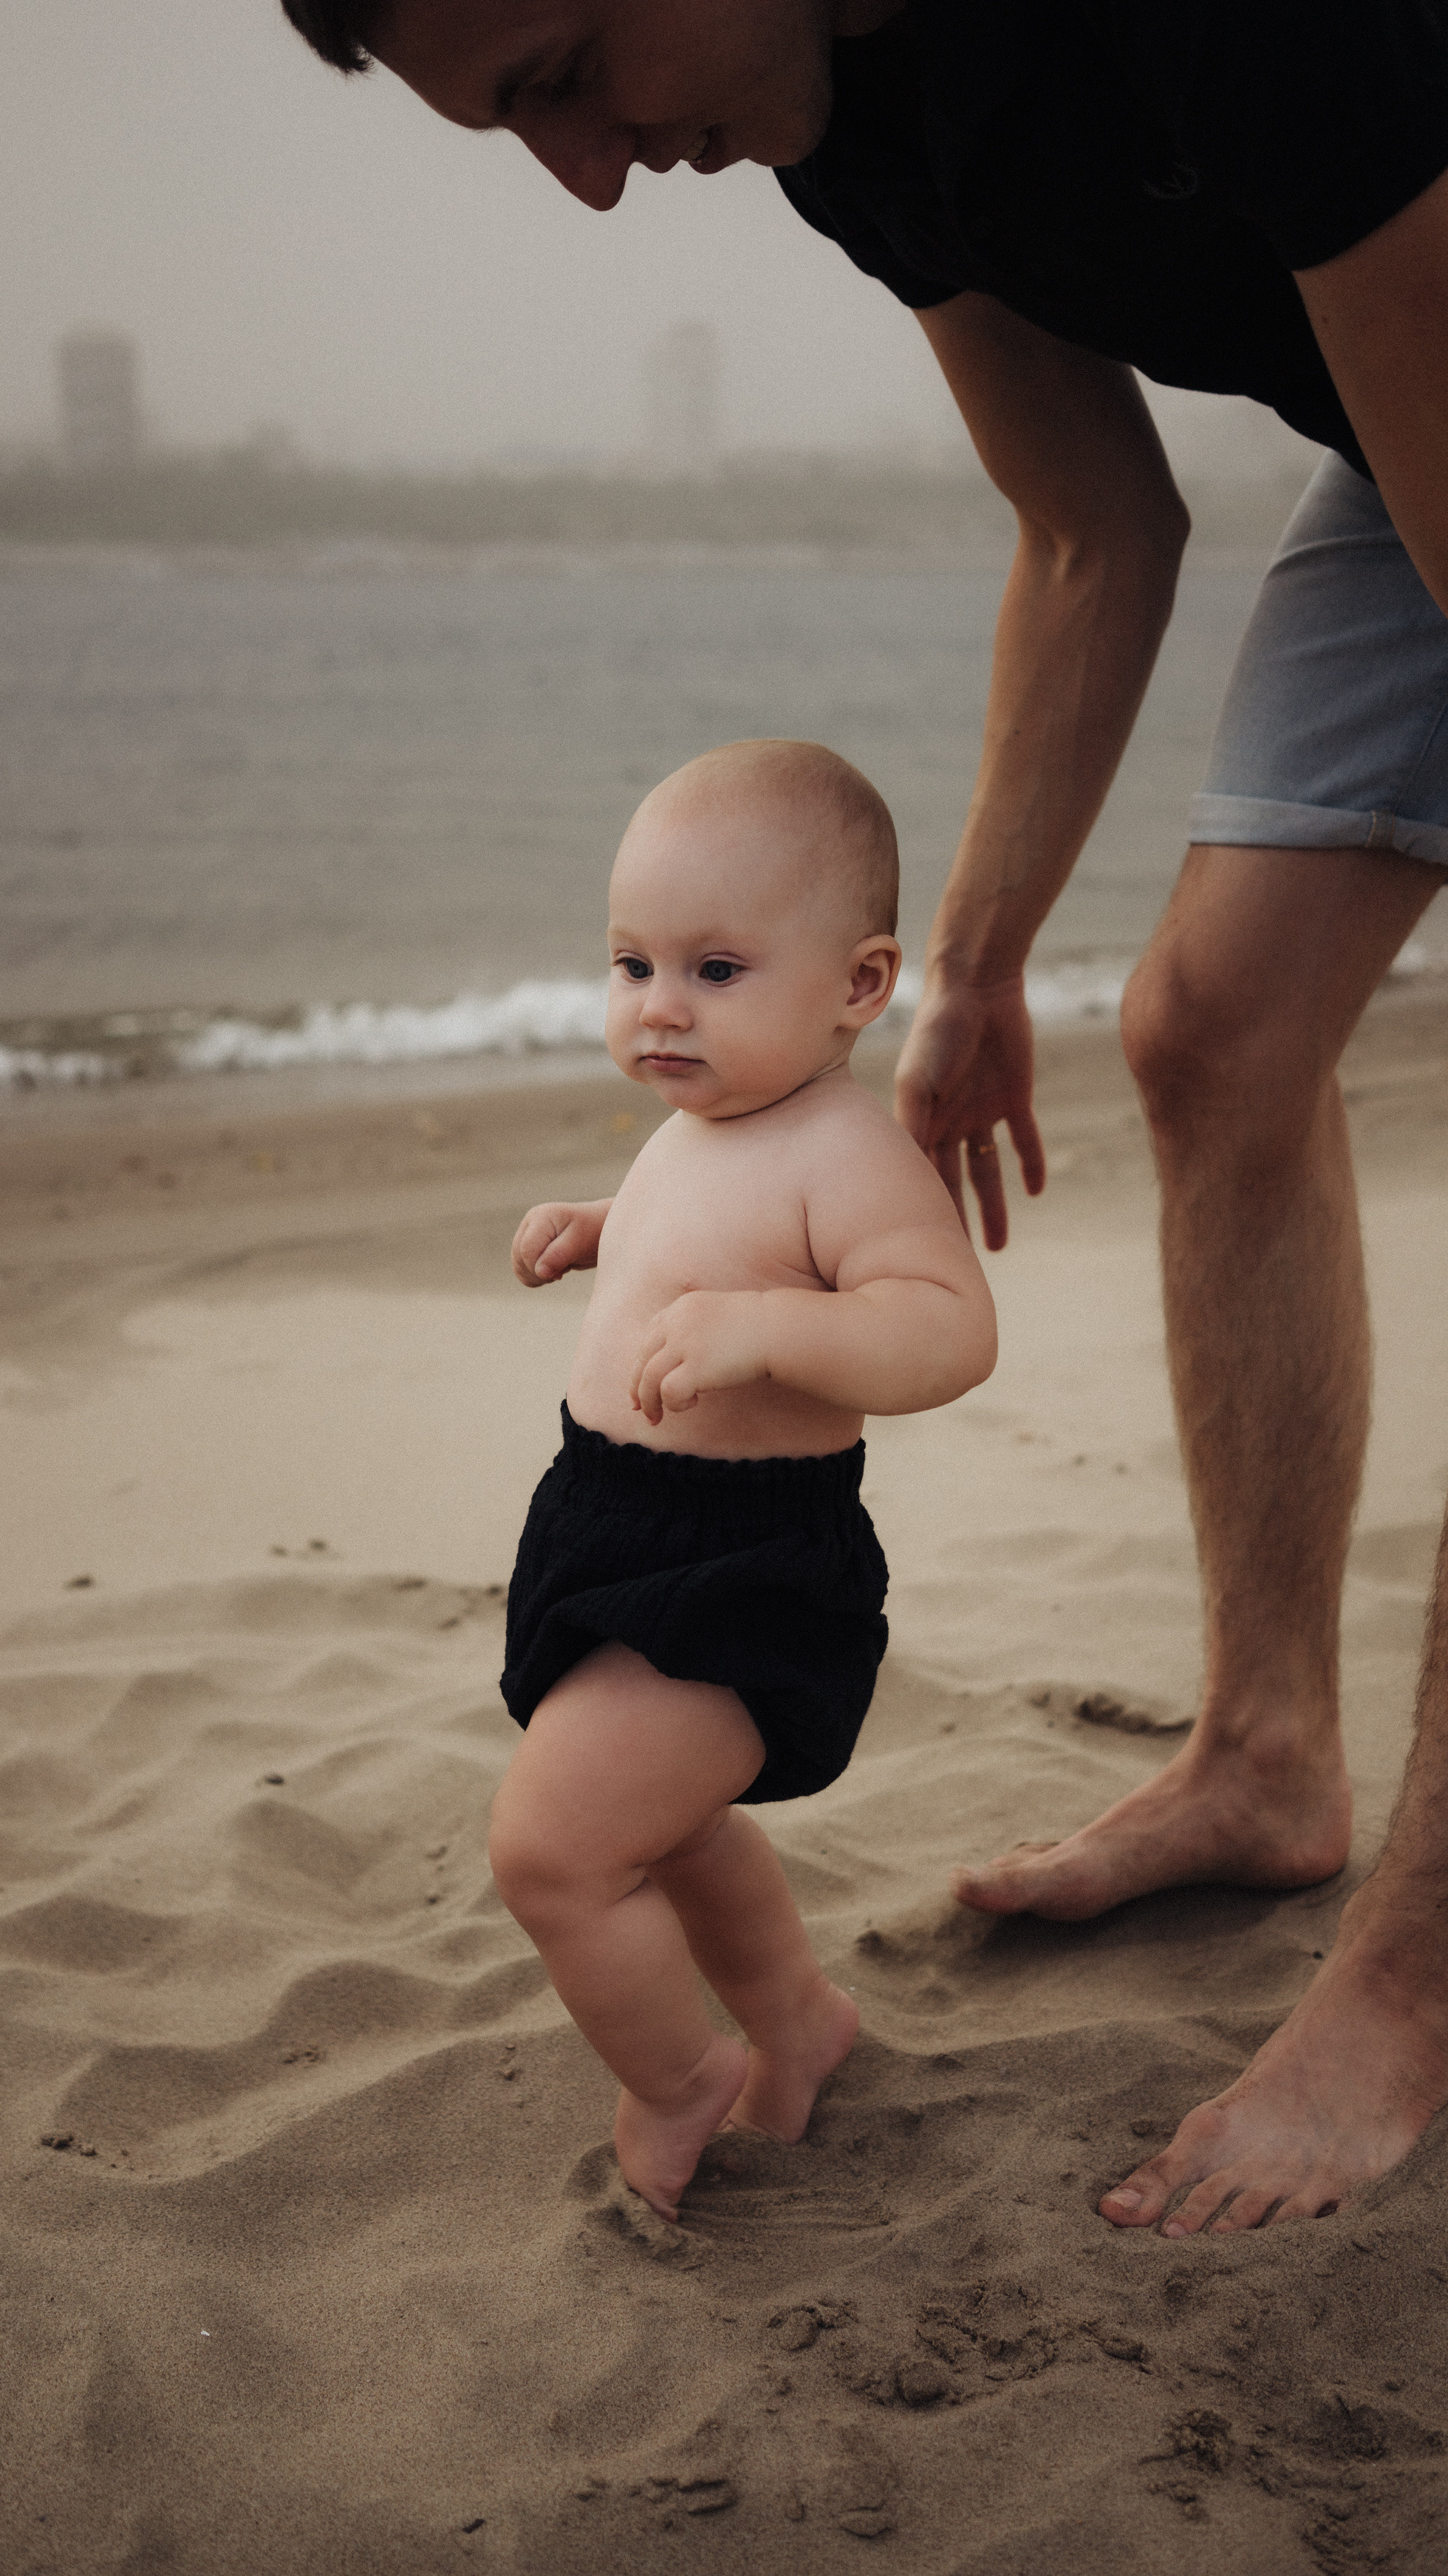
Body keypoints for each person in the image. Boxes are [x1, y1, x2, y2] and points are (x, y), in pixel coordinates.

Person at [278, 0, 1448, 2233]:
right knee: (1201, 1031)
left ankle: (1410, 1976)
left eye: (562, 71)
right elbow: (1090, 527)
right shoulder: (824, 120)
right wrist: (975, 961)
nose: (594, 175)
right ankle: (1267, 1756)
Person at [491, 739, 996, 2218]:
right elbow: (696, 1228)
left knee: (556, 1851)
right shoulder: (708, 1121)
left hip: (743, 1562)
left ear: (857, 984)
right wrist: (604, 1227)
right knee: (669, 1825)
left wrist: (775, 1327)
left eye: (714, 969)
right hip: (611, 1514)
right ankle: (800, 2024)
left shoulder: (849, 1152)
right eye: (631, 962)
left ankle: (681, 2076)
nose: (658, 1005)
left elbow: (948, 1331)